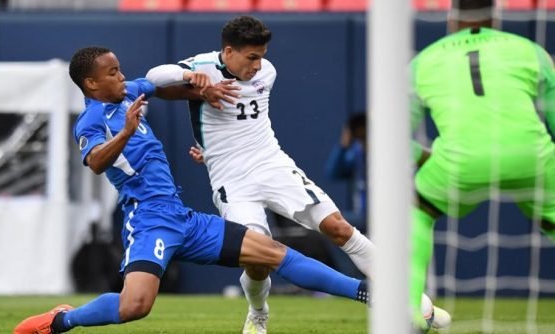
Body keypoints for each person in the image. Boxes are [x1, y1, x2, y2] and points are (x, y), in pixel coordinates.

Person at [13, 46, 371, 334]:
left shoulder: (129, 93)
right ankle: (62, 321)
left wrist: (203, 88)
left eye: (120, 69)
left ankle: (366, 293)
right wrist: (124, 132)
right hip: (148, 220)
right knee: (134, 306)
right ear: (91, 85)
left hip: (181, 217)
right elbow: (94, 162)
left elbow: (160, 86)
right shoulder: (91, 121)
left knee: (273, 253)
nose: (122, 76)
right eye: (112, 73)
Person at [146, 15, 449, 333]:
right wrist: (191, 79)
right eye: (251, 57)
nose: (257, 65)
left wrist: (206, 132)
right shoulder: (203, 67)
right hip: (232, 181)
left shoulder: (268, 72)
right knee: (257, 257)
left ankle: (410, 297)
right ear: (229, 51)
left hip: (272, 165)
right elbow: (155, 78)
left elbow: (242, 124)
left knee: (339, 227)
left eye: (261, 56)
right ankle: (258, 311)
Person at [409, 0, 555, 328]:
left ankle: (408, 312)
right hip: (532, 155)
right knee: (552, 216)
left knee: (415, 211)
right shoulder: (532, 50)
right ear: (496, 17)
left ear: (450, 18)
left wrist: (420, 156)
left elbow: (390, 133)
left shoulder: (423, 61)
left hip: (459, 162)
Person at [325, 112, 367, 232]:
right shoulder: (356, 154)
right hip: (362, 215)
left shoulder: (386, 156)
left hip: (382, 214)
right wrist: (343, 146)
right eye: (360, 137)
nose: (363, 141)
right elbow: (333, 173)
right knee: (326, 220)